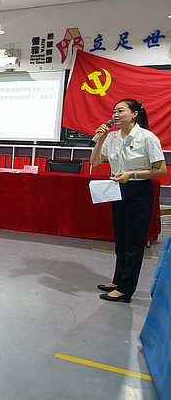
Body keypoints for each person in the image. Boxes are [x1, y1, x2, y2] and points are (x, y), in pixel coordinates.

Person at [90, 99, 167, 303]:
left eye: (120, 111)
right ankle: (118, 281)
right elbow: (95, 162)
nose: (115, 115)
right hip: (118, 189)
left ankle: (125, 290)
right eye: (114, 111)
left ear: (134, 114)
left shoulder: (147, 137)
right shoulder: (112, 136)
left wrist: (132, 174)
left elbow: (161, 169)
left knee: (134, 242)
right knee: (121, 240)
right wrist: (100, 140)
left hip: (139, 191)